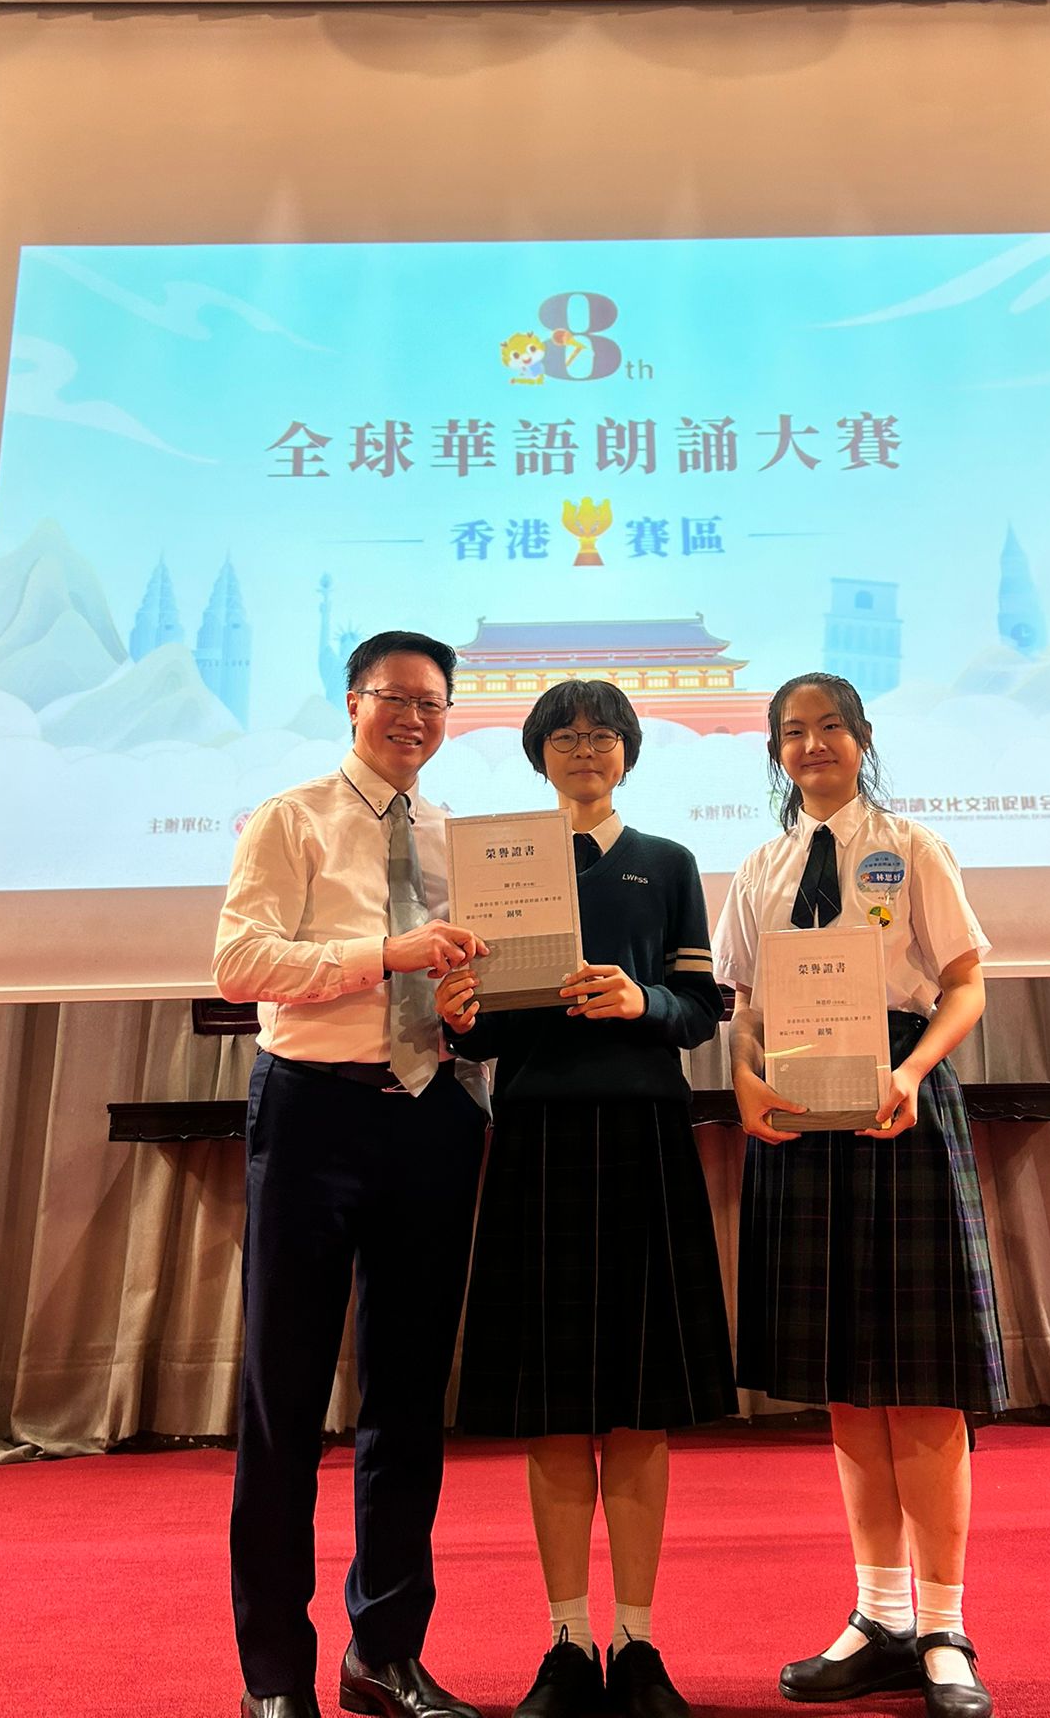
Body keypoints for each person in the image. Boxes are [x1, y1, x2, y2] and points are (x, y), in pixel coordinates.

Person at [436, 681, 737, 1718]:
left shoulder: (670, 861)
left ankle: (637, 1642)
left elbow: (697, 1008)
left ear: (628, 751)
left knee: (642, 1408)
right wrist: (460, 1013)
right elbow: (485, 1032)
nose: (582, 749)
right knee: (555, 1407)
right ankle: (567, 1640)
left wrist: (638, 998)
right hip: (536, 1139)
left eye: (600, 735)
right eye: (562, 736)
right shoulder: (499, 865)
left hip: (646, 1135)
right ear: (537, 754)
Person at [714, 673, 1006, 1718]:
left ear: (862, 736)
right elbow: (745, 1007)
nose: (812, 745)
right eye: (792, 732)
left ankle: (943, 1627)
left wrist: (914, 1071)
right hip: (800, 1110)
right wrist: (743, 1078)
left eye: (830, 726)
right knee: (844, 1378)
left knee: (922, 1379)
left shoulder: (912, 846)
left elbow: (965, 981)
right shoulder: (760, 866)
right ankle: (878, 1615)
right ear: (775, 752)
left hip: (898, 1101)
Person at [214, 631, 492, 1718]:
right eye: (395, 697)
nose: (414, 718)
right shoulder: (291, 818)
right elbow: (240, 962)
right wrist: (384, 956)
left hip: (432, 1114)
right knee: (282, 1398)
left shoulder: (460, 836)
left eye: (433, 703)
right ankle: (274, 1672)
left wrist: (469, 1009)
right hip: (312, 1114)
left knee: (410, 1401)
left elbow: (471, 986)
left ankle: (386, 1651)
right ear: (352, 702)